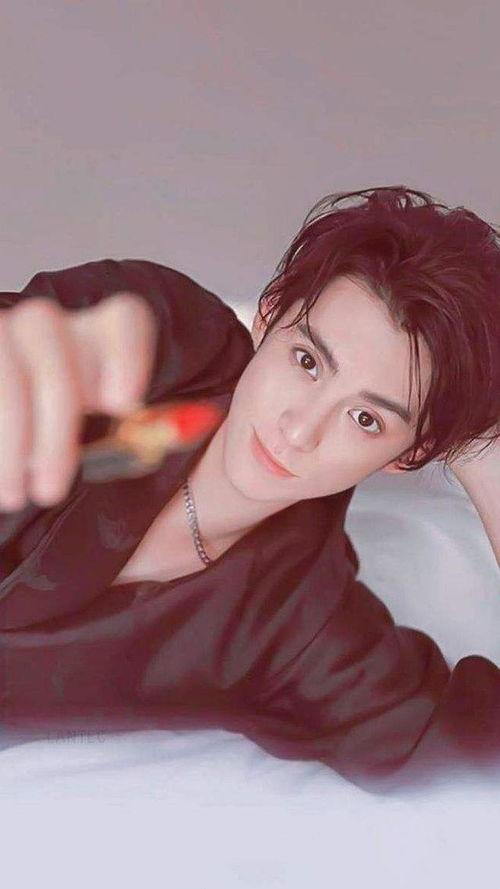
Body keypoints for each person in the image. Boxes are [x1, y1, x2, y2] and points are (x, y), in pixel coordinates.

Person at [0, 185, 498, 796]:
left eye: (366, 419)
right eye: (307, 361)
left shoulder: (303, 622)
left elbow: (468, 758)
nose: (300, 430)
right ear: (269, 313)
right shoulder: (159, 333)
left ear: (410, 454)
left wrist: (484, 445)